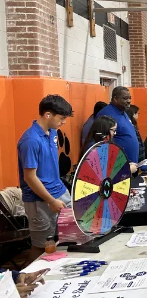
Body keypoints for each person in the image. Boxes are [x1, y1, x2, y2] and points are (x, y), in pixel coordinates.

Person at [18, 95, 73, 262]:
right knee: (43, 245)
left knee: (70, 235)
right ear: (48, 115)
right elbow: (30, 177)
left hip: (60, 191)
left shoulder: (53, 132)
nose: (63, 122)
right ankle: (30, 278)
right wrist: (50, 200)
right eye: (61, 118)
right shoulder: (30, 140)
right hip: (40, 200)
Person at [96, 87, 139, 171]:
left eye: (130, 98)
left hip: (130, 166)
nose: (129, 101)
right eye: (125, 98)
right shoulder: (107, 114)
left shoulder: (123, 112)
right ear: (115, 98)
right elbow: (103, 144)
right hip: (117, 169)